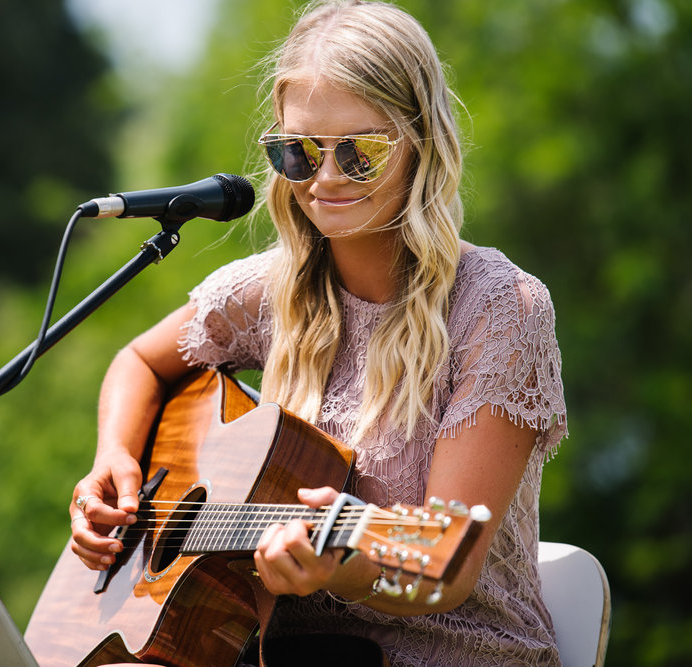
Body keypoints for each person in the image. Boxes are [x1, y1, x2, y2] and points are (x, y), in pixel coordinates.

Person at [67, 1, 567, 665]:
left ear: (421, 144)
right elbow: (140, 361)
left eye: (360, 153)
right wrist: (114, 461)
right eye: (298, 153)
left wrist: (339, 567)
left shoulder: (500, 308)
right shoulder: (271, 290)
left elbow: (449, 561)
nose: (326, 177)